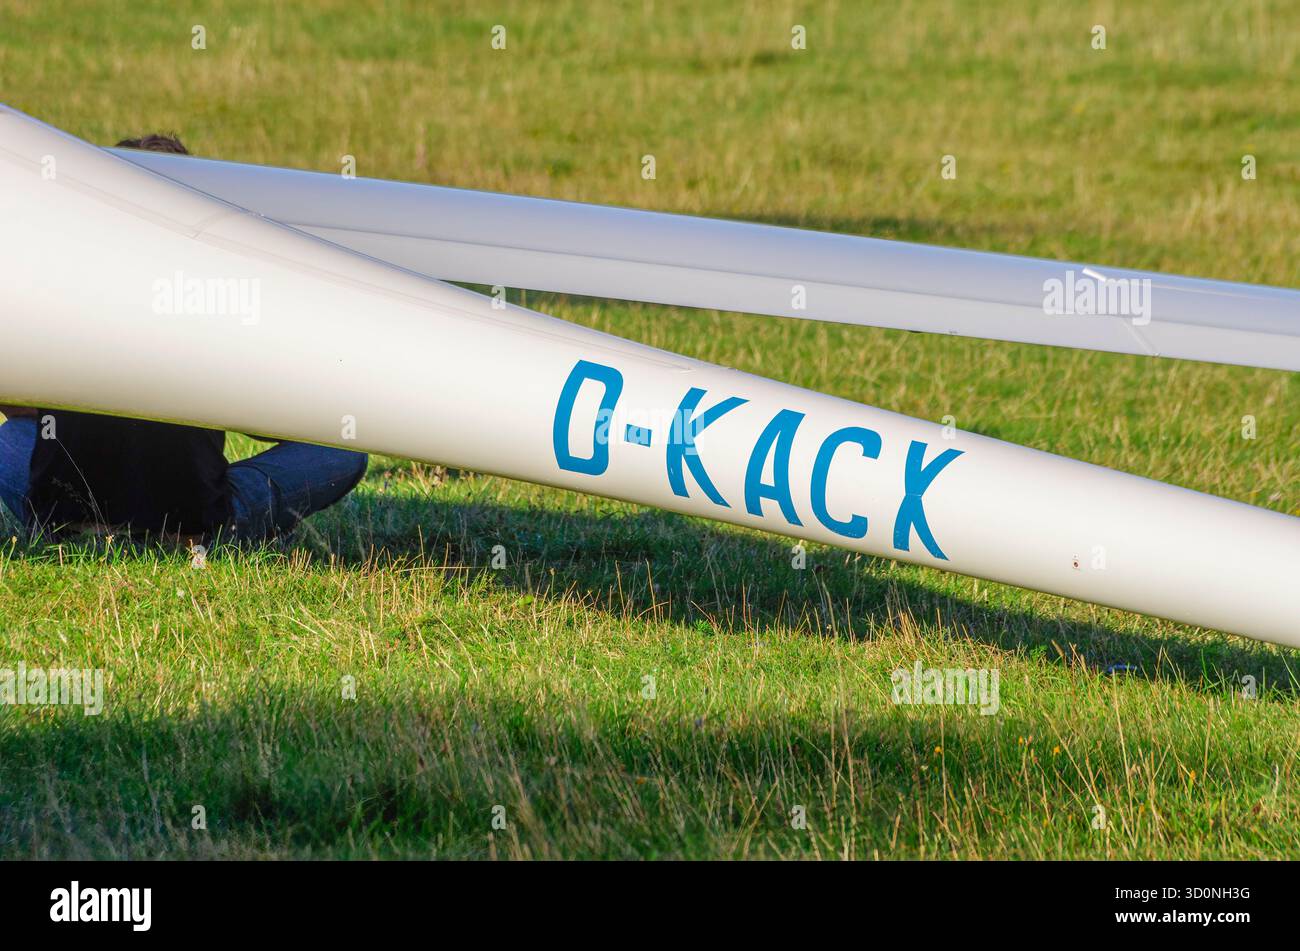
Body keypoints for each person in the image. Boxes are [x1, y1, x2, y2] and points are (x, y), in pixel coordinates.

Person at [0, 134, 368, 544]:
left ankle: (80, 522)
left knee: (12, 437)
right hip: (183, 534)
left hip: (66, 529)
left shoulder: (63, 285)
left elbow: (15, 403)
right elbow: (271, 418)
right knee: (342, 452)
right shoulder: (214, 297)